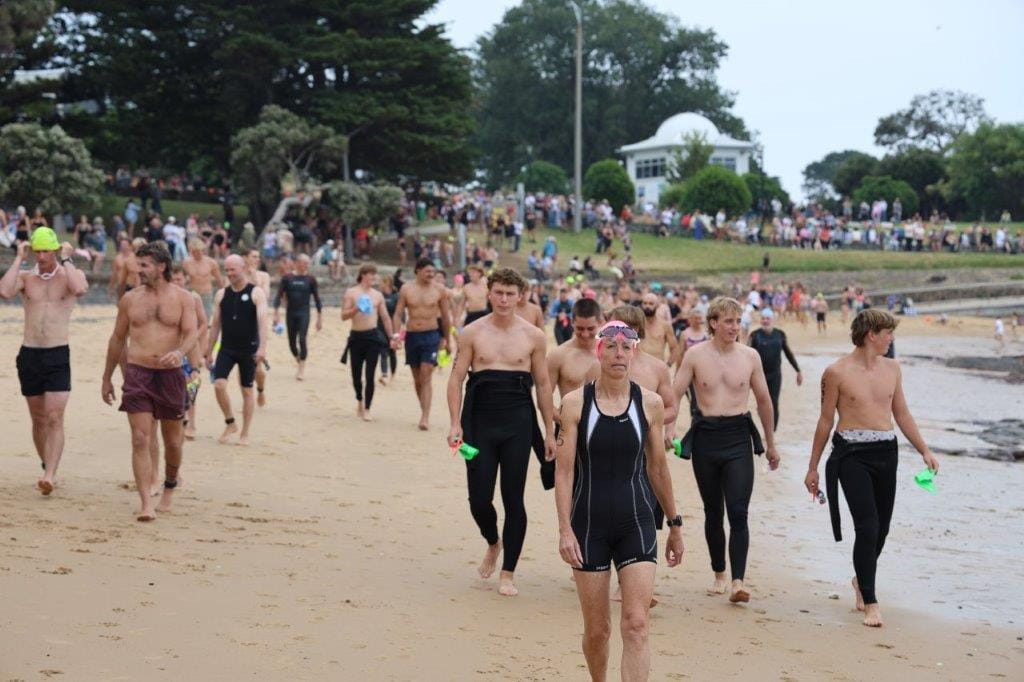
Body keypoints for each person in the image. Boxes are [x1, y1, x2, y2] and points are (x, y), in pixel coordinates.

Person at [555, 321, 684, 681]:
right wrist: (565, 530)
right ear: (599, 352)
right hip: (588, 524)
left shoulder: (651, 403)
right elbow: (564, 474)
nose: (618, 353)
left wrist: (675, 524)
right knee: (598, 632)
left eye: (625, 347)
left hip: (637, 521)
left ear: (634, 352)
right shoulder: (575, 403)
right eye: (610, 346)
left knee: (637, 624)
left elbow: (658, 468)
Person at [805, 309, 940, 627]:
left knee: (882, 529)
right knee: (867, 526)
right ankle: (871, 601)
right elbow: (826, 421)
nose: (892, 338)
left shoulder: (893, 368)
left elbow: (902, 413)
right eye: (888, 332)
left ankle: (859, 579)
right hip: (851, 455)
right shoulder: (836, 372)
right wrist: (812, 467)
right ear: (871, 334)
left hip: (886, 451)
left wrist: (924, 450)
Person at [446, 267, 556, 597]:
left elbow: (543, 384)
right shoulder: (471, 332)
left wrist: (549, 431)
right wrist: (455, 423)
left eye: (511, 293)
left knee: (513, 497)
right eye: (499, 292)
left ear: (521, 296)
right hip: (479, 420)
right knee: (479, 498)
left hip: (518, 422)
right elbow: (455, 379)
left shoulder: (534, 336)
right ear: (489, 293)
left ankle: (508, 572)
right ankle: (493, 541)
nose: (504, 299)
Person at [672, 296, 779, 603]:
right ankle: (719, 571)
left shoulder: (750, 357)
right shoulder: (695, 355)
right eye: (729, 321)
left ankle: (737, 581)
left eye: (738, 321)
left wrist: (770, 443)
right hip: (705, 436)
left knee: (738, 511)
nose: (736, 327)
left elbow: (764, 401)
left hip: (737, 438)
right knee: (713, 510)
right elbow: (675, 393)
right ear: (714, 323)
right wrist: (669, 428)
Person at [101, 242, 198, 521]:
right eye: (137, 264)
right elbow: (117, 339)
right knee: (140, 437)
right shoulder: (130, 299)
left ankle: (169, 487)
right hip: (138, 372)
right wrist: (107, 377)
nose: (138, 270)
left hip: (170, 375)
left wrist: (179, 354)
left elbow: (191, 333)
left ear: (161, 267)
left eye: (144, 265)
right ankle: (145, 502)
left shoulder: (183, 298)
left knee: (173, 442)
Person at [0, 230, 89, 495]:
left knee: (54, 417)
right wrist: (18, 258)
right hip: (30, 354)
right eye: (37, 252)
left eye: (45, 251)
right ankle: (46, 464)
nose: (41, 257)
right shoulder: (27, 278)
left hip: (57, 353)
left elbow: (80, 288)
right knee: (38, 418)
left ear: (55, 251)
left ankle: (50, 473)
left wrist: (68, 259)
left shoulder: (68, 276)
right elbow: (4, 291)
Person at [206, 254, 269, 445]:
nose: (230, 273)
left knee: (247, 391)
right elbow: (215, 325)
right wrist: (209, 351)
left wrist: (262, 348)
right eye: (227, 270)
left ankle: (245, 433)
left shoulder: (256, 293)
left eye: (233, 269)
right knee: (219, 385)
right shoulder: (221, 294)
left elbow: (262, 323)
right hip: (227, 348)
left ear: (243, 268)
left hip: (248, 349)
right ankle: (230, 422)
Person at [392, 257, 453, 430]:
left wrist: (446, 340)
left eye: (433, 272)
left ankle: (425, 417)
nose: (431, 275)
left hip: (431, 335)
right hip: (412, 335)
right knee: (417, 378)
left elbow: (446, 317)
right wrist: (396, 335)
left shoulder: (439, 290)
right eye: (428, 271)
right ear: (417, 271)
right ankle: (424, 408)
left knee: (426, 373)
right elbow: (398, 314)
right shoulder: (406, 289)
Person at [341, 264, 395, 421]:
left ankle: (367, 408)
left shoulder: (377, 295)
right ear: (363, 275)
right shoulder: (351, 292)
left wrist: (391, 337)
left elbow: (385, 317)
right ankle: (359, 399)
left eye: (375, 275)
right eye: (372, 275)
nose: (374, 278)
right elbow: (343, 316)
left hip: (372, 337)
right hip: (356, 337)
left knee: (370, 375)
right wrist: (356, 309)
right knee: (356, 375)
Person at [747, 308, 802, 429]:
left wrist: (798, 370)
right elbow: (746, 357)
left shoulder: (780, 334)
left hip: (775, 374)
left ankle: (772, 431)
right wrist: (746, 376)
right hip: (759, 376)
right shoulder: (754, 335)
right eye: (763, 318)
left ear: (773, 320)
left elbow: (788, 353)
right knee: (761, 404)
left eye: (768, 319)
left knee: (773, 402)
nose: (765, 321)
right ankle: (766, 427)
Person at [170, 265, 208, 441]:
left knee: (191, 384)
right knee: (176, 384)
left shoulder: (194, 298)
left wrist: (193, 339)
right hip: (173, 347)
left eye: (179, 279)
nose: (176, 282)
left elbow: (203, 323)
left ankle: (191, 422)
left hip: (191, 348)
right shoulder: (169, 297)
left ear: (186, 279)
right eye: (173, 279)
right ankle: (181, 419)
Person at [273, 253, 323, 380]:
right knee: (291, 344)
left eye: (308, 263)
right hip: (291, 313)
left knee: (302, 339)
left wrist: (319, 318)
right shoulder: (287, 278)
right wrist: (276, 314)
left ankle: (301, 368)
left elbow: (317, 299)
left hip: (304, 313)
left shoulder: (311, 279)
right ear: (297, 263)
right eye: (304, 263)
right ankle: (299, 358)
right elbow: (278, 296)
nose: (307, 265)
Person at [546, 298, 602, 398]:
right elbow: (545, 395)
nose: (585, 334)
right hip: (569, 413)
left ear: (600, 322)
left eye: (590, 328)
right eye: (580, 328)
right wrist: (556, 414)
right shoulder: (557, 355)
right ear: (572, 322)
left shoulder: (611, 354)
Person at [245, 249, 272, 406]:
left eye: (258, 256)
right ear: (246, 258)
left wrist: (254, 275)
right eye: (253, 256)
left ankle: (260, 389)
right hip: (240, 322)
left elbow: (264, 295)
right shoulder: (239, 274)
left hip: (257, 322)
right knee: (242, 362)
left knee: (257, 365)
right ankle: (246, 396)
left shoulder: (264, 276)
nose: (256, 259)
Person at [182, 239, 223, 319]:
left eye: (199, 251)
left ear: (202, 250)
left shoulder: (211, 262)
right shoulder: (186, 263)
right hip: (192, 292)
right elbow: (182, 278)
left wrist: (223, 293)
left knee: (206, 316)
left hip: (206, 293)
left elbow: (219, 279)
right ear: (191, 252)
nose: (197, 254)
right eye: (194, 252)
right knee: (192, 317)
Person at [638, 293, 678, 363]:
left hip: (657, 365)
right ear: (642, 305)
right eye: (645, 303)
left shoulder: (665, 325)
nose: (647, 306)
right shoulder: (636, 324)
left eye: (651, 304)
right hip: (639, 365)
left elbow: (674, 348)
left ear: (657, 305)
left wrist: (668, 365)